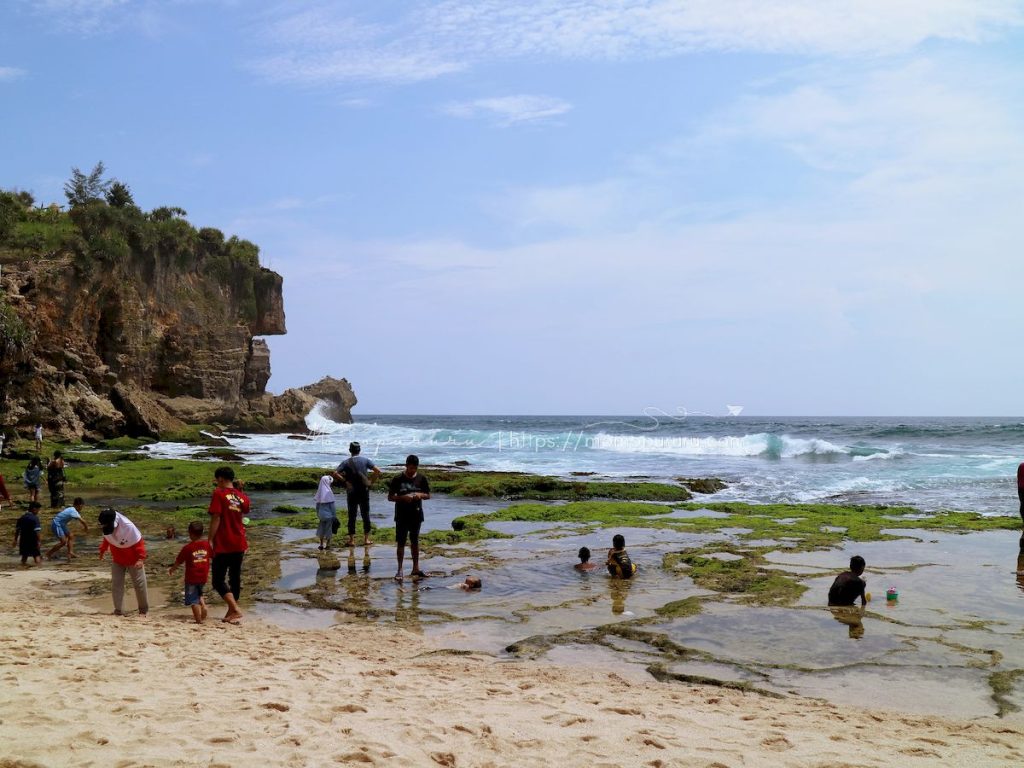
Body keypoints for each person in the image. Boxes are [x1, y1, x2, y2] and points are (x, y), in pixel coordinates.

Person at [208, 466, 248, 624]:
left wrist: (210, 539)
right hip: (239, 542)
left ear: (221, 479)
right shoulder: (242, 497)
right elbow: (244, 512)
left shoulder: (218, 494)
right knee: (234, 578)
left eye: (217, 480)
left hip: (224, 542)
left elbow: (216, 517)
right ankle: (232, 611)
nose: (216, 483)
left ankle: (235, 609)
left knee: (217, 580)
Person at [97, 508, 148, 617]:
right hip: (117, 559)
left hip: (134, 560)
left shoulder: (128, 527)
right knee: (117, 585)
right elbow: (107, 538)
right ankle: (119, 610)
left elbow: (139, 543)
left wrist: (140, 559)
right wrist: (102, 550)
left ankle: (143, 610)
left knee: (140, 585)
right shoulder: (106, 524)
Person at [388, 454, 430, 581]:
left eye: (415, 469)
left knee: (415, 542)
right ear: (406, 466)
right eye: (410, 468)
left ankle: (415, 568)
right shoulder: (397, 479)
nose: (412, 471)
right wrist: (402, 498)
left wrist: (419, 495)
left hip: (416, 515)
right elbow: (390, 497)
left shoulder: (422, 478)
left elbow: (428, 495)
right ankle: (400, 569)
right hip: (401, 515)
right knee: (401, 542)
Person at [333, 441, 381, 547]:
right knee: (365, 515)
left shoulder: (346, 462)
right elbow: (377, 471)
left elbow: (335, 473)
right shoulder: (366, 460)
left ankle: (352, 540)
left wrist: (346, 482)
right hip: (364, 491)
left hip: (351, 492)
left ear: (350, 450)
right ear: (359, 450)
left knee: (352, 515)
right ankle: (366, 539)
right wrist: (370, 482)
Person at [168, 520, 213, 624]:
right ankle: (204, 606)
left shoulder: (188, 548)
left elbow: (178, 561)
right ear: (202, 533)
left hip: (192, 578)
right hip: (203, 576)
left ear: (190, 533)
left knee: (193, 600)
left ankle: (198, 620)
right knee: (199, 593)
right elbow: (212, 556)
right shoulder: (207, 545)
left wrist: (172, 569)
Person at [313, 474, 338, 550]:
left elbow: (317, 506)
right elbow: (332, 507)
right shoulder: (329, 493)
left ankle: (321, 544)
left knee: (321, 529)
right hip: (329, 516)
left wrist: (318, 514)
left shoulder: (319, 492)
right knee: (328, 530)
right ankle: (328, 544)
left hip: (321, 515)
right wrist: (334, 516)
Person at [14, 501, 43, 566]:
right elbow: (37, 531)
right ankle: (39, 567)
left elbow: (17, 530)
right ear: (34, 509)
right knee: (36, 555)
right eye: (38, 510)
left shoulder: (21, 518)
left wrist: (15, 540)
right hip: (33, 539)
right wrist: (39, 541)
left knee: (24, 556)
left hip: (23, 540)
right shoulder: (35, 518)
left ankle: (22, 567)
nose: (38, 512)